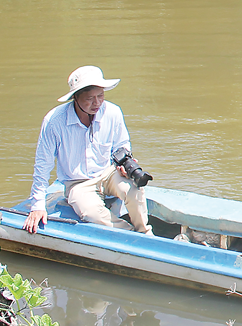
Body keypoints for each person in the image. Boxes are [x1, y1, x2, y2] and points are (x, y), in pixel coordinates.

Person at [23, 66, 151, 235]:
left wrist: (124, 164)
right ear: (75, 98)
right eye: (89, 98)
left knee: (134, 190)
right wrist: (37, 205)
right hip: (77, 183)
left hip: (108, 173)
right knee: (91, 212)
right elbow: (42, 165)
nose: (97, 103)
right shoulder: (54, 121)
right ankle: (129, 234)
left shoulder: (112, 112)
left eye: (100, 96)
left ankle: (145, 233)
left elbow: (122, 144)